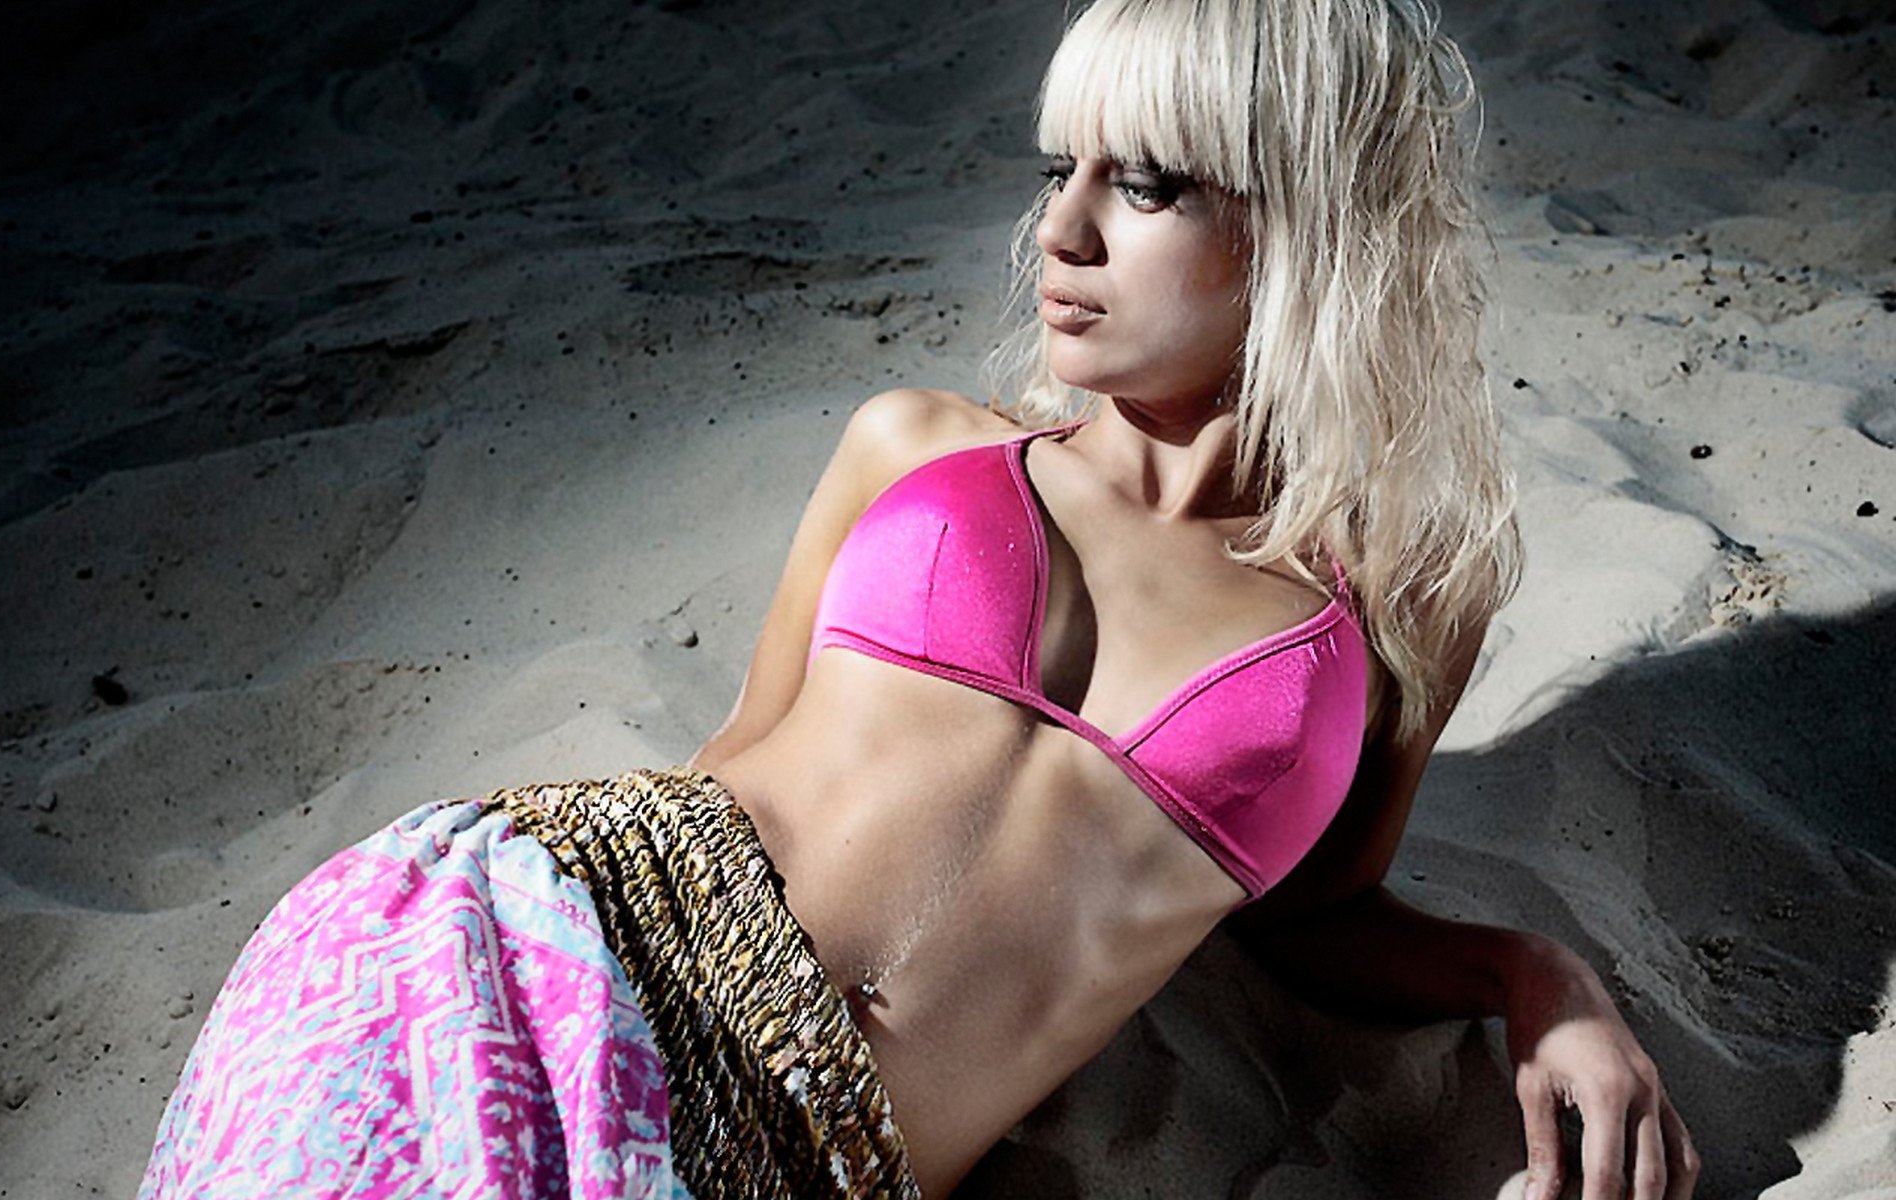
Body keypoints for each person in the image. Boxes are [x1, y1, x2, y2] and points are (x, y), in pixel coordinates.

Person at [142, 1, 1699, 1198]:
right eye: (1060, 169)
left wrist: (1532, 974)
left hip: (815, 1165)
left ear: (1306, 226)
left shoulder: (1402, 604)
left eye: (1146, 184)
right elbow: (727, 760)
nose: (1063, 231)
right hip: (548, 942)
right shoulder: (917, 446)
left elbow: (1312, 916)